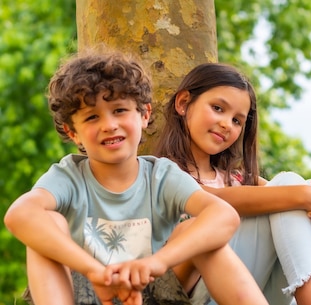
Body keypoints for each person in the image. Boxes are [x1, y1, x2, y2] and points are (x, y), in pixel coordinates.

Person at [3, 50, 269, 305]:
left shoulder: (161, 175)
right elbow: (19, 214)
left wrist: (155, 263)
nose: (109, 125)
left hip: (153, 290)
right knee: (45, 221)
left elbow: (225, 216)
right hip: (84, 291)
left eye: (119, 110)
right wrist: (95, 272)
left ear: (144, 114)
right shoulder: (68, 176)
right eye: (92, 116)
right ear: (73, 133)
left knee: (193, 229)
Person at [153, 62, 311, 305]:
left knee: (302, 192)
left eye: (237, 121)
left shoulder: (235, 178)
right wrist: (306, 196)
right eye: (217, 108)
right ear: (183, 103)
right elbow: (210, 198)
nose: (226, 124)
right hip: (209, 292)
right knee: (290, 189)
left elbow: (303, 192)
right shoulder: (161, 173)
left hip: (257, 294)